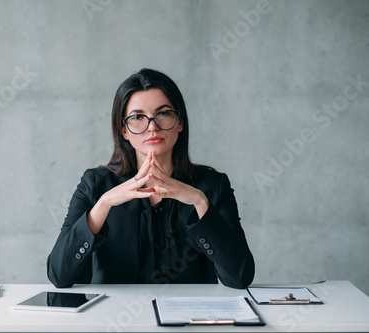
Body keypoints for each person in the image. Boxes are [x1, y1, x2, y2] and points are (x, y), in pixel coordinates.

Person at [47, 68, 254, 289]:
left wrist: (199, 202)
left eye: (163, 113)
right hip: (114, 319)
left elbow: (239, 277)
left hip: (191, 319)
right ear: (123, 130)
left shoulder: (213, 185)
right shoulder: (96, 184)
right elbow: (59, 275)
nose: (152, 127)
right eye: (137, 117)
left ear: (180, 122)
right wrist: (104, 204)